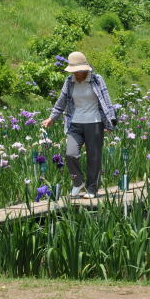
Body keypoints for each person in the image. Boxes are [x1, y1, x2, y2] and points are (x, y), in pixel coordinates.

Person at [41, 52, 117, 199]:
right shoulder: (69, 81)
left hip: (94, 123)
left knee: (93, 157)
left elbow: (107, 102)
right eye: (74, 70)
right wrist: (52, 118)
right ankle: (78, 182)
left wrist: (110, 122)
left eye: (79, 70)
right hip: (74, 123)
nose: (77, 73)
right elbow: (61, 102)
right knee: (70, 154)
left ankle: (92, 189)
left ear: (86, 68)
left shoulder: (96, 79)